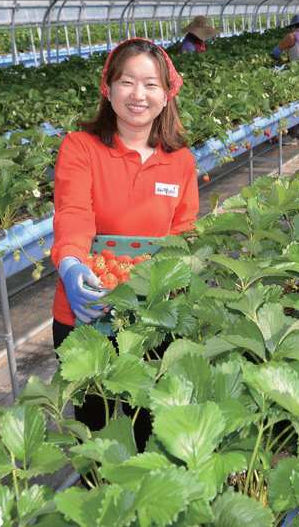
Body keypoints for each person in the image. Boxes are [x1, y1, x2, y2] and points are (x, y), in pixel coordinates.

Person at [51, 37, 199, 448]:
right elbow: (74, 212)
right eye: (127, 82)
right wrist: (72, 264)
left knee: (147, 427)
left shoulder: (180, 159)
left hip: (151, 313)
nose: (138, 95)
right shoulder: (81, 148)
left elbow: (183, 231)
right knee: (93, 430)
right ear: (108, 88)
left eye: (151, 84)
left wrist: (169, 284)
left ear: (167, 93)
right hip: (88, 307)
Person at [272, 14, 299, 140]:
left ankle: (292, 135)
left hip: (295, 75)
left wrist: (275, 56)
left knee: (292, 103)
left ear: (294, 26)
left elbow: (277, 51)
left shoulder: (292, 36)